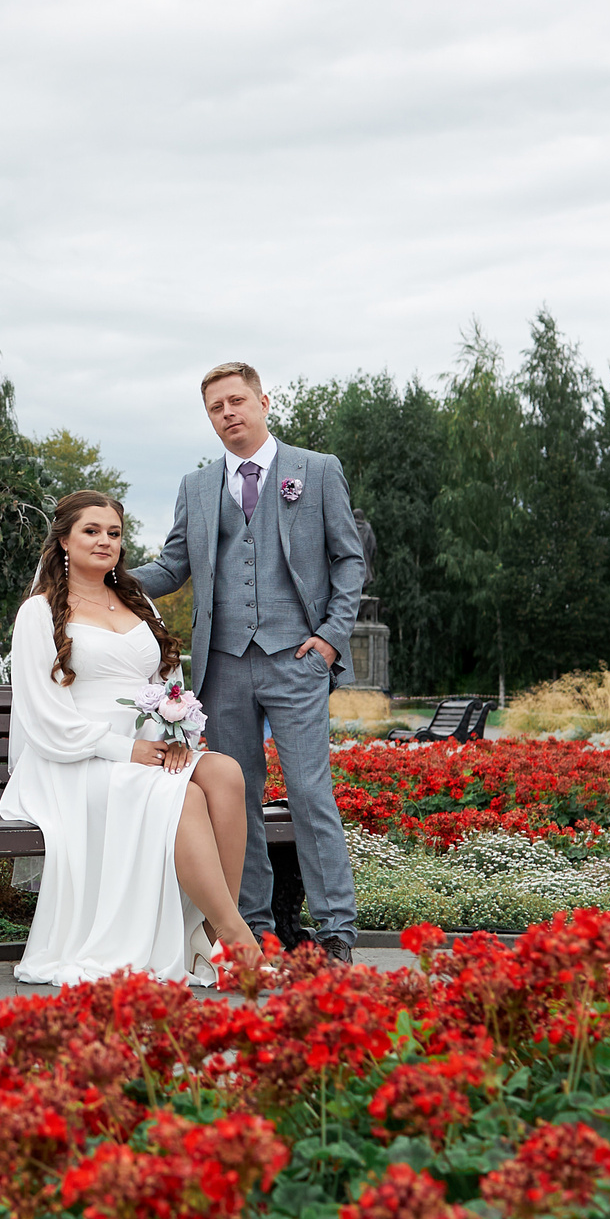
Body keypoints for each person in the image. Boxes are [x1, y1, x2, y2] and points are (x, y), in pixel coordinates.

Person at [130, 361, 366, 961]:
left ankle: (337, 931)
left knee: (312, 794)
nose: (228, 413)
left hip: (297, 658)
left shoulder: (316, 470)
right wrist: (102, 577)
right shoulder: (197, 486)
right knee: (239, 797)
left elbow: (348, 561)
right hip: (224, 664)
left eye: (237, 401)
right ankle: (256, 925)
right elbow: (172, 567)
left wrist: (332, 637)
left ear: (263, 401)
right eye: (216, 407)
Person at [1, 489, 263, 986]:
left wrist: (178, 730)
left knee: (225, 773)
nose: (105, 542)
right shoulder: (38, 614)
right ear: (63, 540)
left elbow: (168, 683)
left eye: (114, 534)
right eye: (91, 531)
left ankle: (208, 936)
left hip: (147, 747)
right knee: (182, 797)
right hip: (76, 761)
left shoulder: (137, 603)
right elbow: (43, 717)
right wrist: (126, 750)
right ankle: (239, 939)